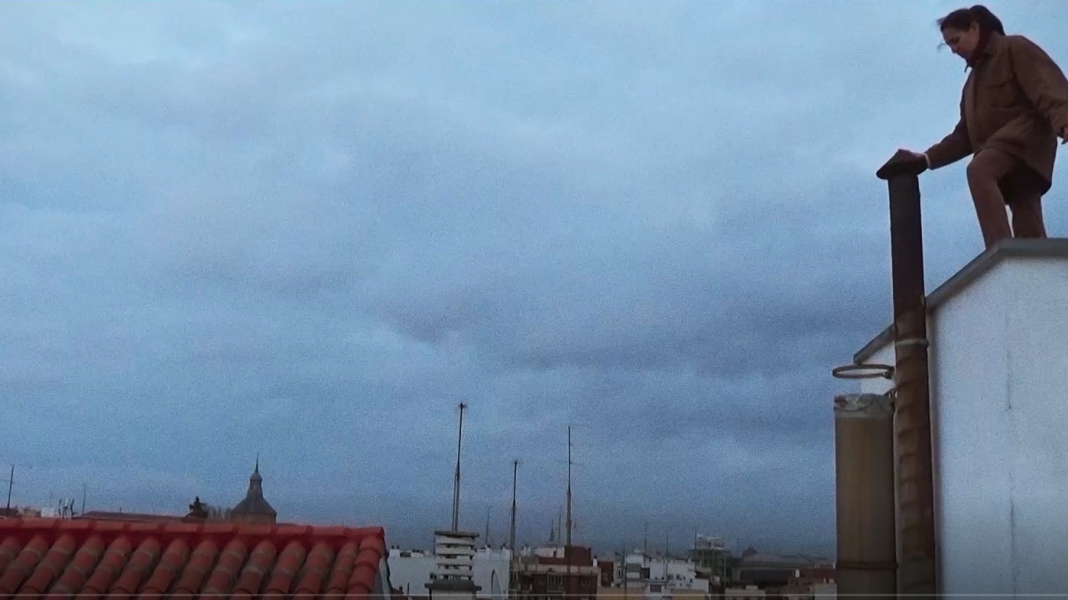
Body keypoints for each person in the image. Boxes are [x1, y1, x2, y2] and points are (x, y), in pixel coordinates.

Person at [902, 5, 1068, 249]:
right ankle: (1032, 269)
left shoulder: (1014, 48)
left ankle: (1000, 253)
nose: (954, 50)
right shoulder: (971, 85)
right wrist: (927, 158)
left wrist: (1064, 120)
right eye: (948, 46)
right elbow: (964, 136)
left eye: (956, 41)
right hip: (1003, 150)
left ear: (974, 28)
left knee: (980, 170)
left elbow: (1047, 86)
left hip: (1025, 138)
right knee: (1024, 208)